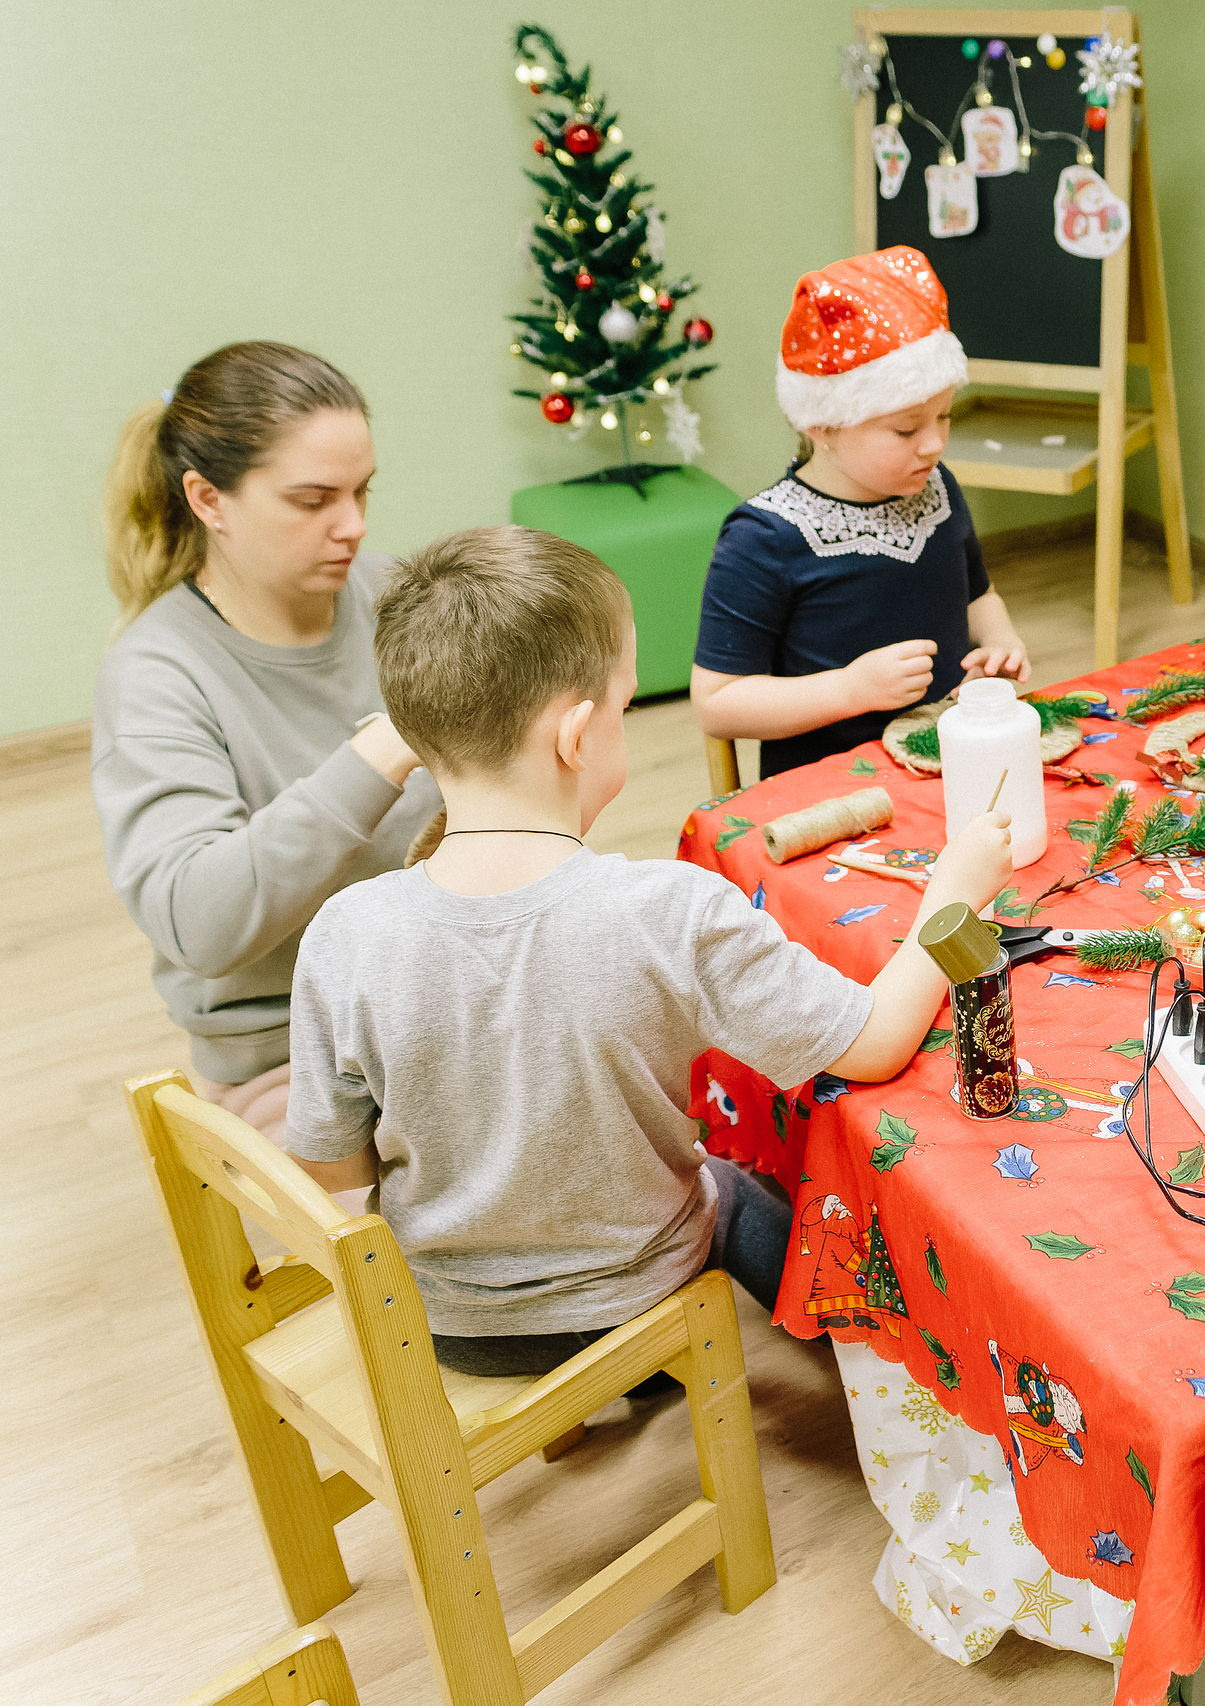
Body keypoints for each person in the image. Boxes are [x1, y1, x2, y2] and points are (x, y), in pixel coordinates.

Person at [282, 526, 1013, 1373]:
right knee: (734, 1186)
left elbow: (332, 1167)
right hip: (635, 1298)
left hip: (450, 1326)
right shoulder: (670, 910)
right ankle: (875, 1368)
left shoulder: (344, 931)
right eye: (625, 711)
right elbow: (878, 1044)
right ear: (575, 735)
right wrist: (953, 895)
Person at [92, 341, 439, 1139]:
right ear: (209, 499)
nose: (351, 525)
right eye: (313, 499)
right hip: (293, 1056)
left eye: (361, 492)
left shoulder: (394, 595)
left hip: (448, 992)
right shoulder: (156, 673)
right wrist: (382, 753)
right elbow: (199, 925)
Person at [692, 247, 1030, 782]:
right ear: (823, 424)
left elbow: (978, 595)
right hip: (831, 793)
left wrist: (1001, 643)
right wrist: (850, 690)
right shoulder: (763, 537)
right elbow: (718, 703)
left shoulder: (938, 489)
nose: (934, 443)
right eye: (906, 428)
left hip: (952, 765)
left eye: (944, 415)